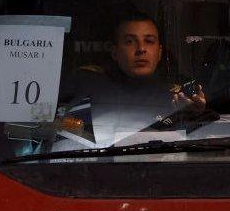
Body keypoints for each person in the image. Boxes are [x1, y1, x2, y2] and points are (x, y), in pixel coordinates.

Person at [57, 12, 206, 146]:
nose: (141, 49)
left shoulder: (180, 94)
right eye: (129, 41)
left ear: (160, 52)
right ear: (114, 52)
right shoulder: (86, 85)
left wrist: (194, 115)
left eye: (149, 41)